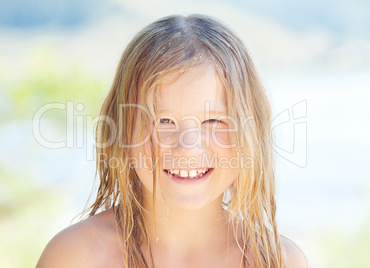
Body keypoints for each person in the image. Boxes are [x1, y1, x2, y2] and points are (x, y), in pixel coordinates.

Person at [36, 14, 310, 267]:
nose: (188, 147)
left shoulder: (277, 261)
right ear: (120, 131)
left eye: (214, 121)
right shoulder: (75, 257)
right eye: (162, 121)